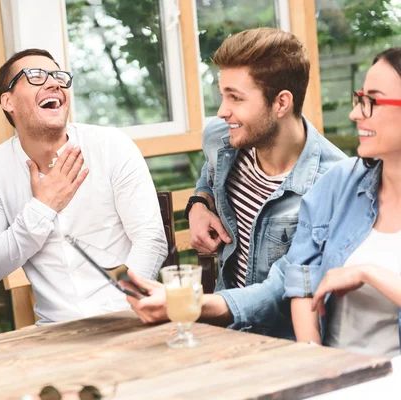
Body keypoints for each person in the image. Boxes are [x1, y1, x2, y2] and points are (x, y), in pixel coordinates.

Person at [123, 27, 346, 338]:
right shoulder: (223, 139)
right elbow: (210, 172)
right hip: (220, 332)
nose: (222, 111)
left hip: (282, 344)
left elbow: (283, 289)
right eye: (222, 94)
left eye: (235, 98)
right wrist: (199, 203)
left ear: (281, 103)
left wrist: (193, 303)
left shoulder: (334, 183)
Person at [0, 49, 167, 324]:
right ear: (8, 101)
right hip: (53, 331)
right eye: (36, 76)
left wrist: (126, 307)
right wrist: (42, 208)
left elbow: (151, 238)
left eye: (58, 76)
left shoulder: (111, 145)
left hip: (128, 316)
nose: (54, 84)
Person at [285, 48, 401, 357]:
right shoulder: (339, 182)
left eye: (372, 101)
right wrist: (314, 359)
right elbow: (302, 281)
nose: (356, 113)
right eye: (359, 98)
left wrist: (368, 273)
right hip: (335, 375)